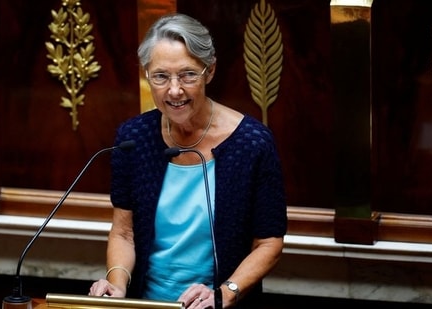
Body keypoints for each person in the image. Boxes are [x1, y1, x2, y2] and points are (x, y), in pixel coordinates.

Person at [88, 13, 287, 309]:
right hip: (146, 304)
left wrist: (224, 293)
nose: (174, 90)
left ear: (210, 71)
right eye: (161, 76)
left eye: (188, 75)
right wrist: (117, 286)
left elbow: (269, 243)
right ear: (147, 76)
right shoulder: (134, 137)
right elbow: (123, 232)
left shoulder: (252, 143)